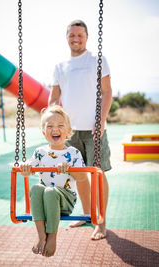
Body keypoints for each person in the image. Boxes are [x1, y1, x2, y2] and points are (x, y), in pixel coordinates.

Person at [48, 20, 112, 240]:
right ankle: (86, 215)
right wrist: (51, 121)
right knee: (79, 176)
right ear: (67, 37)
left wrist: (100, 120)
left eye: (80, 35)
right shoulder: (60, 66)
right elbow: (54, 97)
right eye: (72, 35)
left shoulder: (97, 60)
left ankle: (100, 223)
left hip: (94, 130)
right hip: (71, 131)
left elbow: (107, 92)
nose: (76, 38)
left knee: (98, 174)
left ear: (86, 36)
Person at [20, 105, 88, 257]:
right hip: (45, 201)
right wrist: (25, 167)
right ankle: (40, 234)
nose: (55, 129)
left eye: (60, 126)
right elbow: (29, 169)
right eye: (49, 126)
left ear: (68, 131)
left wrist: (70, 168)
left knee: (50, 191)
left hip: (65, 201)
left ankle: (52, 236)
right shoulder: (40, 152)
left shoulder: (73, 153)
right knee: (37, 188)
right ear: (44, 132)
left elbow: (82, 177)